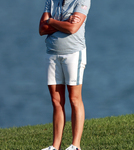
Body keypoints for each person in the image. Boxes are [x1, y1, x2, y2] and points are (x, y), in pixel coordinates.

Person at [39, 0, 90, 149]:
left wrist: (51, 21)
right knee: (56, 101)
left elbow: (73, 28)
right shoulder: (51, 0)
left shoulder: (82, 0)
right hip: (52, 54)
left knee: (74, 98)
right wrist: (63, 23)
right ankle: (56, 146)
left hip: (74, 53)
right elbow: (41, 29)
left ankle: (76, 145)